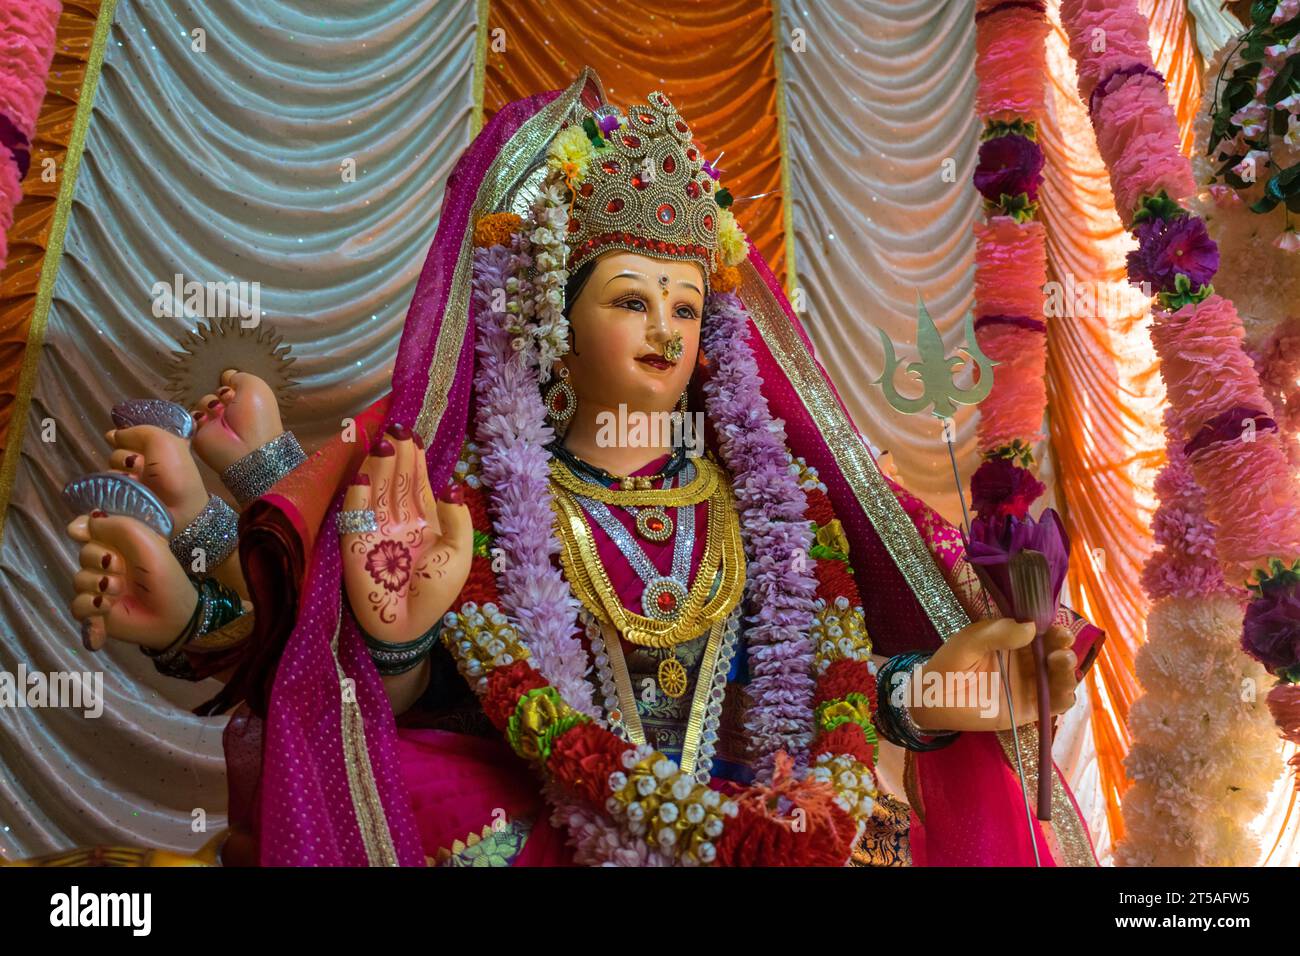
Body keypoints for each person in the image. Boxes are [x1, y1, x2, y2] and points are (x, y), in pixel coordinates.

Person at [67, 68, 1101, 866]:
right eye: (630, 299)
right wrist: (399, 643)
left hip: (759, 823)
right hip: (554, 819)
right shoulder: (481, 491)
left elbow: (805, 693)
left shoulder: (779, 504)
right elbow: (453, 704)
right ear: (554, 316)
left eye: (687, 306)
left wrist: (933, 690)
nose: (665, 328)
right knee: (433, 794)